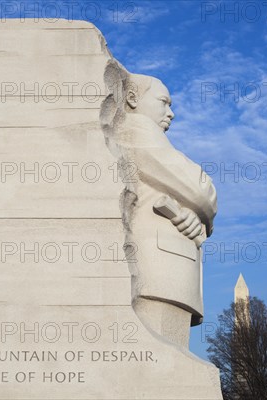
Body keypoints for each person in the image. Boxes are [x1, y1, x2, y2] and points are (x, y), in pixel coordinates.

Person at [107, 73, 217, 348]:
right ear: (132, 99)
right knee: (158, 360)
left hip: (169, 265)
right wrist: (200, 205)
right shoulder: (135, 130)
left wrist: (197, 220)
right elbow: (200, 190)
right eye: (163, 102)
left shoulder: (147, 136)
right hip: (158, 268)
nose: (171, 113)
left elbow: (183, 197)